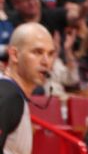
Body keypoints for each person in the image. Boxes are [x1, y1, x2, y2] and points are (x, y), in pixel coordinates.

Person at [0, 23, 56, 154]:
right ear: (14, 55)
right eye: (37, 52)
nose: (46, 61)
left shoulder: (15, 95)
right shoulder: (9, 97)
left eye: (51, 53)